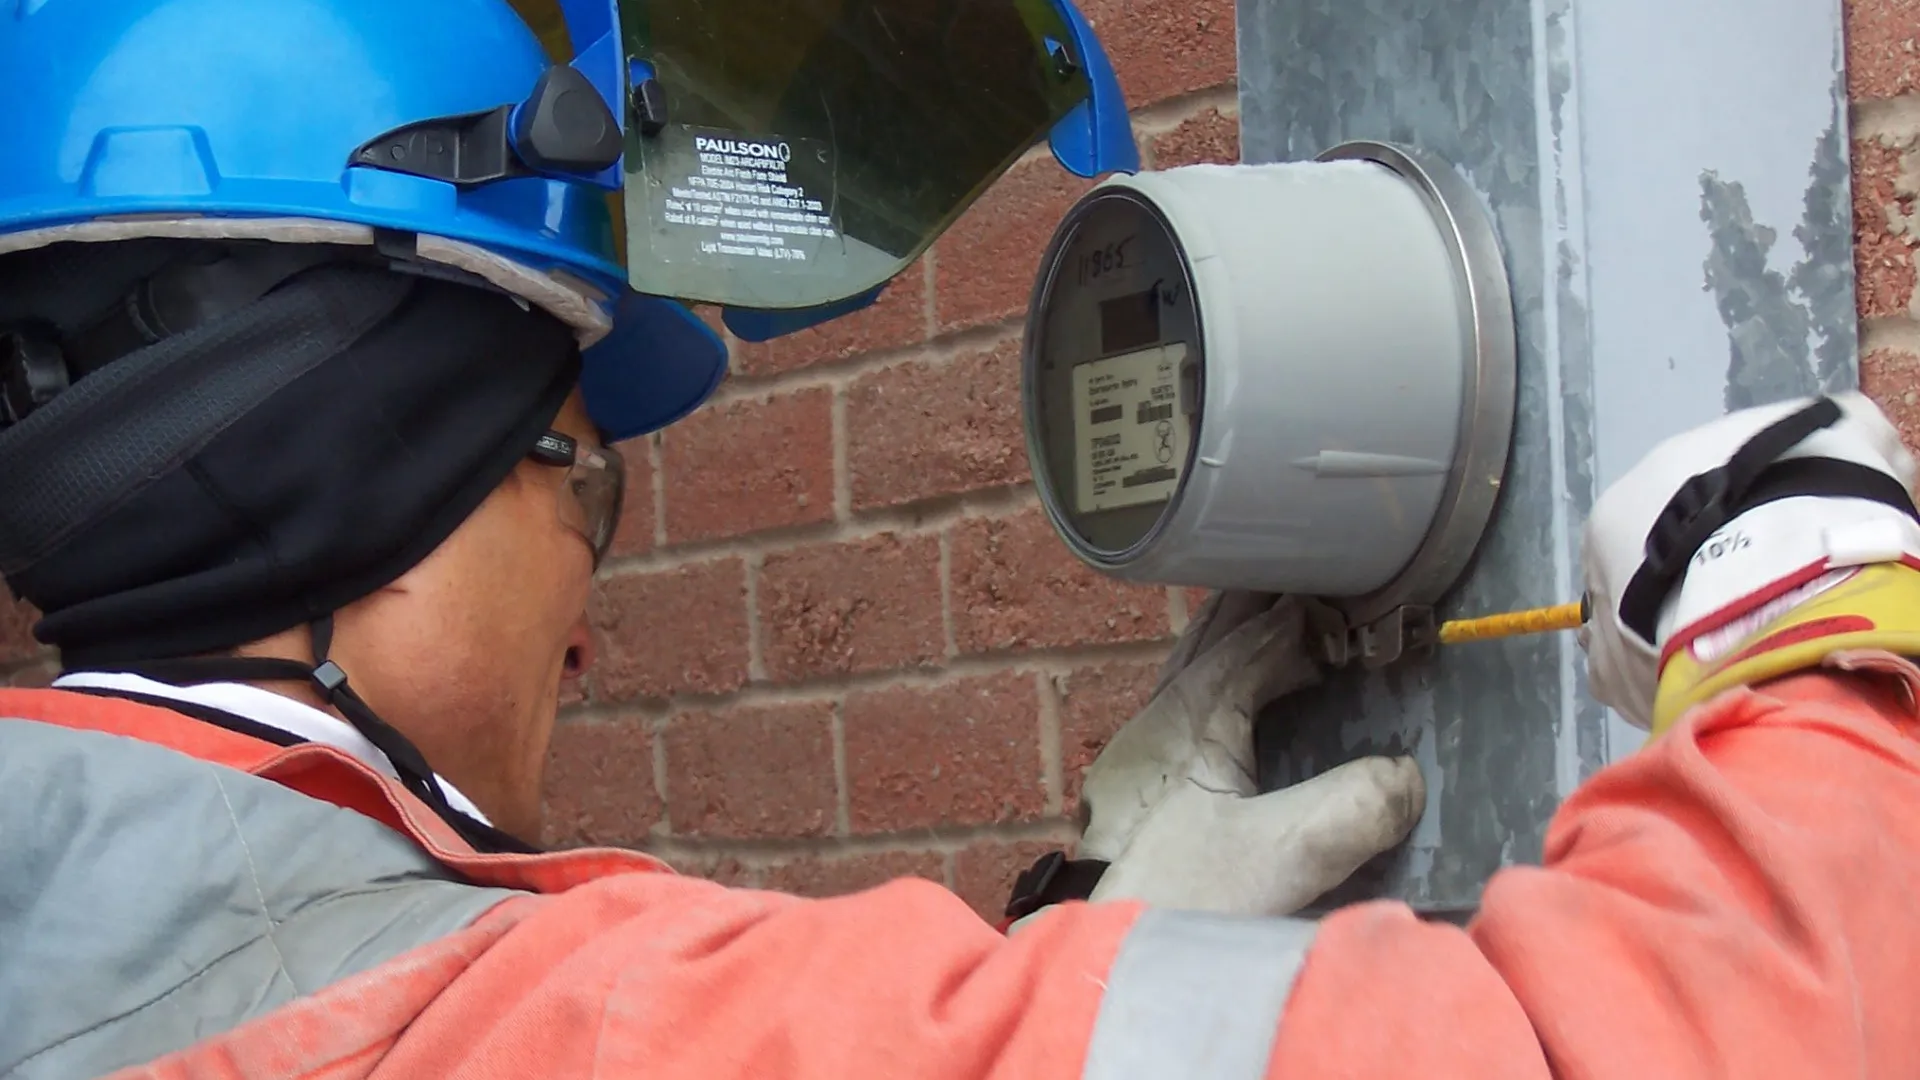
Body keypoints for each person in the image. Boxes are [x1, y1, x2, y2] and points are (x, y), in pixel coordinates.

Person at [3, 4, 1920, 1080]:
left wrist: (1093, 950)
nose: (588, 636)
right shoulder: (540, 1029)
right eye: (582, 473)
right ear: (354, 467)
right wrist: (1824, 632)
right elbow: (1716, 1039)